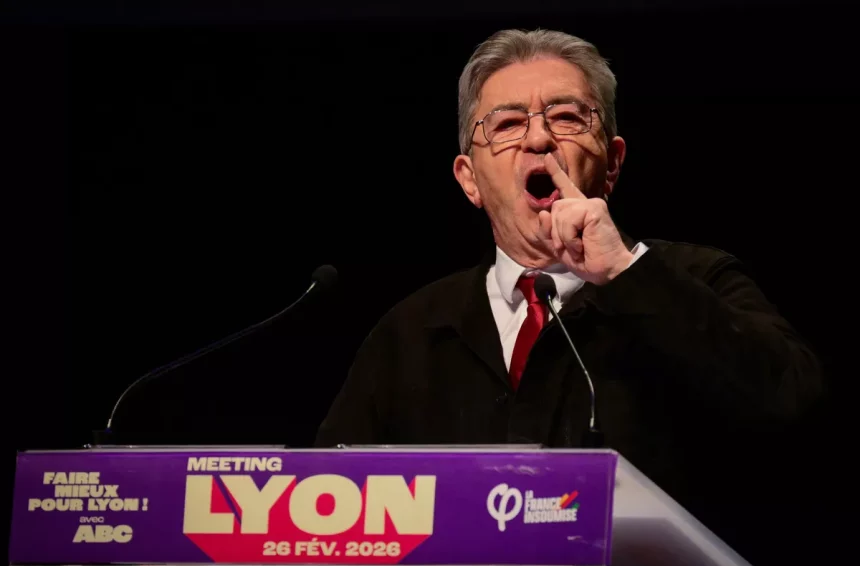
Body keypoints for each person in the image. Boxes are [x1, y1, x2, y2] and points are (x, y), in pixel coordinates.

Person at [314, 28, 822, 527]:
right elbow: (328, 501)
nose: (539, 138)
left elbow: (793, 407)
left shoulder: (698, 279)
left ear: (612, 164)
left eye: (566, 117)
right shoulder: (410, 333)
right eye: (508, 123)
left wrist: (623, 271)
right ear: (470, 180)